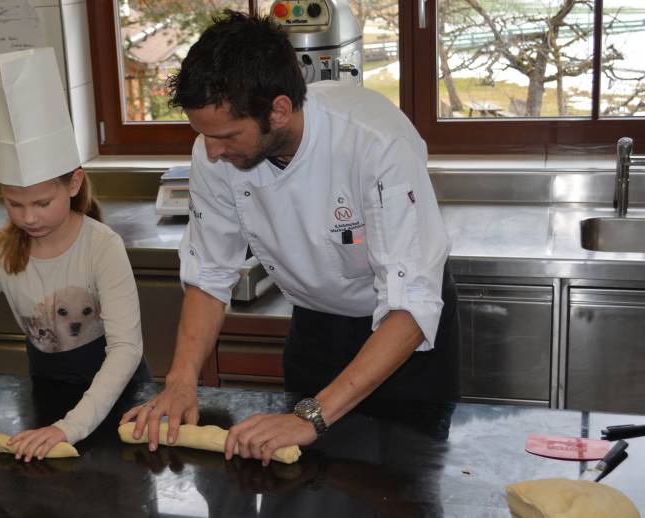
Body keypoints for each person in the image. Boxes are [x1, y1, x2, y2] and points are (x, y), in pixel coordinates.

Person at [122, 11, 459, 466]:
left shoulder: (374, 143)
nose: (212, 151)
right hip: (315, 328)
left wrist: (312, 416)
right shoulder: (214, 150)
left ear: (278, 110)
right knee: (306, 485)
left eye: (225, 136)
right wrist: (181, 380)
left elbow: (413, 303)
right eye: (203, 135)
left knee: (405, 483)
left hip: (402, 341)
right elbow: (209, 272)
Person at [0, 48, 149, 461]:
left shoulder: (101, 246)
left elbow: (126, 348)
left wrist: (69, 428)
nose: (28, 218)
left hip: (118, 400)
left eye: (42, 203)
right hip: (47, 394)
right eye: (14, 204)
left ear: (74, 183)